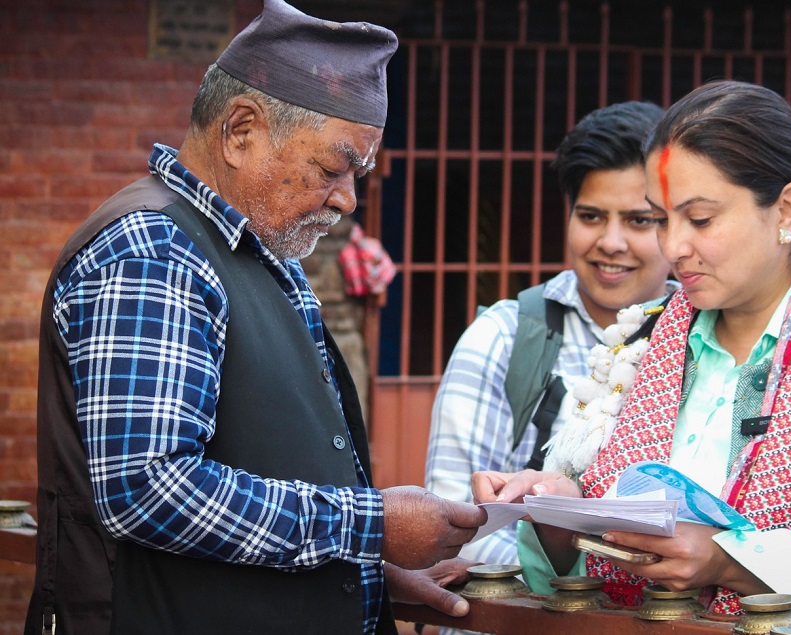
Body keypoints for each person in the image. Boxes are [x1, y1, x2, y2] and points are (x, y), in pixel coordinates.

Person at [26, 2, 486, 633]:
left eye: (359, 174)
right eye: (331, 168)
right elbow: (149, 489)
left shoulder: (262, 249)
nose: (347, 199)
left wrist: (362, 567)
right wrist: (371, 525)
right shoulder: (154, 252)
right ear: (241, 131)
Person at [471, 80, 791, 627]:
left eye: (700, 219)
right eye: (662, 219)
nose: (673, 247)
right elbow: (574, 579)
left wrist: (727, 561)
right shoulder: (649, 339)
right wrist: (560, 511)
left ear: (785, 209)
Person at [425, 100, 674, 578]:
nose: (611, 242)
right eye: (592, 216)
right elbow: (450, 519)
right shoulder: (506, 335)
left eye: (640, 221)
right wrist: (594, 578)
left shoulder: (709, 339)